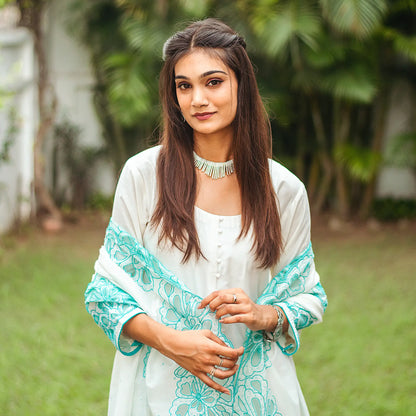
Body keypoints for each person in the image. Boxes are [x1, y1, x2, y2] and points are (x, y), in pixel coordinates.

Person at [85, 18, 327, 416]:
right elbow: (105, 295)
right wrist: (171, 343)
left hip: (258, 395)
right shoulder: (144, 176)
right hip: (156, 392)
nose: (198, 98)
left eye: (213, 82)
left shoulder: (284, 191)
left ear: (241, 86)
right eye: (185, 85)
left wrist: (263, 313)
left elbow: (308, 296)